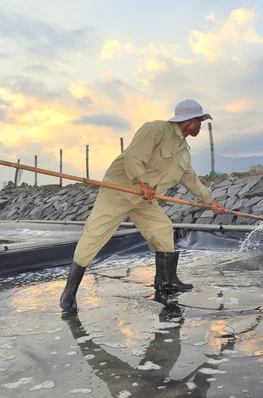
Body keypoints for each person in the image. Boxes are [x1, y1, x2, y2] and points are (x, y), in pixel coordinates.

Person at [60, 99, 227, 313]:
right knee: (95, 235)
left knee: (163, 228)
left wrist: (211, 202)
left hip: (143, 198)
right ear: (189, 121)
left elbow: (190, 179)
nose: (201, 125)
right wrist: (142, 181)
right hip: (119, 190)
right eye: (199, 121)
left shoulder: (183, 149)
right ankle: (69, 293)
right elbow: (133, 156)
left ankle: (166, 282)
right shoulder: (156, 129)